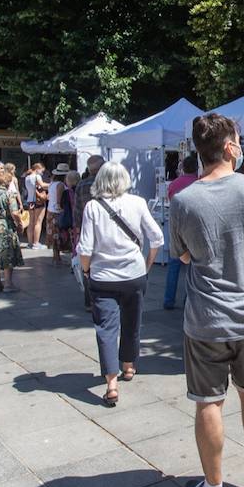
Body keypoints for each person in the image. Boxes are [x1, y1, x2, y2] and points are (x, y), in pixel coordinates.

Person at [171, 113, 244, 487]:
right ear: (231, 147)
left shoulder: (183, 200)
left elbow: (183, 255)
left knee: (208, 402)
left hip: (207, 319)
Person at [78, 161, 163, 406]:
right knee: (132, 322)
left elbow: (85, 248)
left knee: (106, 329)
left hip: (103, 277)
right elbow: (157, 238)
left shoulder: (93, 207)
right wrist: (146, 265)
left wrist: (86, 271)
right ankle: (128, 365)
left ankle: (111, 383)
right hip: (134, 274)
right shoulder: (138, 202)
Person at [163, 155, 199, 310]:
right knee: (192, 266)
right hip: (193, 228)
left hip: (176, 227)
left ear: (183, 167)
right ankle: (187, 299)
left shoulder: (174, 184)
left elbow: (170, 202)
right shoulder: (199, 183)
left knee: (173, 266)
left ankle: (168, 299)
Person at [46, 163, 70, 264]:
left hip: (50, 211)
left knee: (54, 235)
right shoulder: (60, 185)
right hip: (57, 213)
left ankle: (56, 257)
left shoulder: (52, 183)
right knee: (58, 235)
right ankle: (57, 258)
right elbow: (58, 200)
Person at [23, 162, 48, 248]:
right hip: (38, 201)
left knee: (31, 223)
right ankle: (36, 243)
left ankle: (30, 243)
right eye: (41, 171)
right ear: (37, 169)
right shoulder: (37, 176)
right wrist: (51, 184)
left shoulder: (27, 177)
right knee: (38, 222)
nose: (42, 173)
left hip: (30, 201)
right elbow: (42, 185)